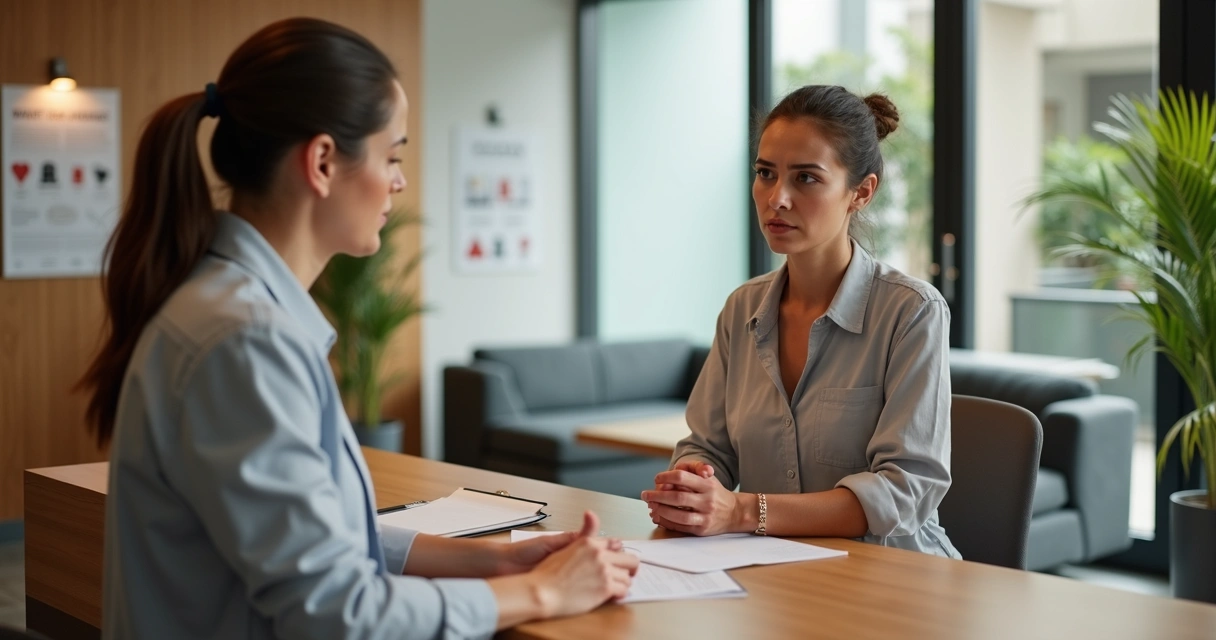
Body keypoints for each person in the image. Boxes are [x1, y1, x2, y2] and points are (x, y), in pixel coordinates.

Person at [78, 18, 637, 640]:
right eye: (392, 155)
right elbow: (333, 612)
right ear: (321, 162)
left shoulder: (227, 307)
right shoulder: (245, 339)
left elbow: (313, 543)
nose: (399, 181)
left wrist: (495, 558)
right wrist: (539, 592)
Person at [641, 85, 960, 559]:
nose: (777, 198)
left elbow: (904, 490)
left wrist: (744, 512)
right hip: (774, 570)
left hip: (893, 574)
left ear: (861, 192)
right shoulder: (740, 309)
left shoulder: (912, 311)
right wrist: (693, 487)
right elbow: (708, 447)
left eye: (806, 179)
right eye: (765, 173)